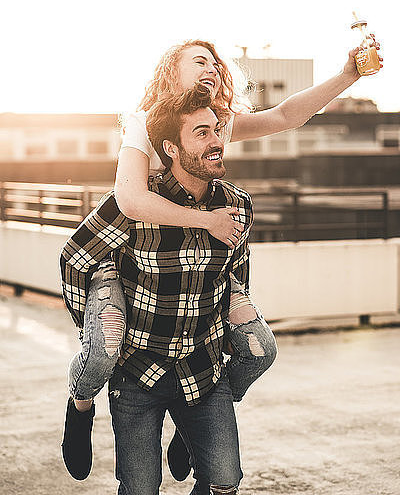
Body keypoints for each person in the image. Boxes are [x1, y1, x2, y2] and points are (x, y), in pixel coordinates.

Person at [60, 36, 382, 480]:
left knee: (256, 348)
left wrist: (349, 74)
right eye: (198, 61)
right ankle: (79, 407)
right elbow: (131, 199)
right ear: (170, 71)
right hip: (120, 252)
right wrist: (207, 220)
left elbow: (286, 115)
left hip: (190, 259)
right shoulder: (144, 121)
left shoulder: (217, 121)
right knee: (105, 345)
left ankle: (194, 424)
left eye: (215, 62)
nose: (211, 68)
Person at [61, 83, 267, 494]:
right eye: (202, 133)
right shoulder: (137, 202)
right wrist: (97, 329)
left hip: (203, 370)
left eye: (217, 129)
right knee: (141, 490)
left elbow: (237, 271)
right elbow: (74, 258)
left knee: (226, 482)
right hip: (138, 372)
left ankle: (190, 433)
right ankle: (78, 408)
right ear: (171, 148)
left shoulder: (238, 204)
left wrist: (238, 309)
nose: (217, 141)